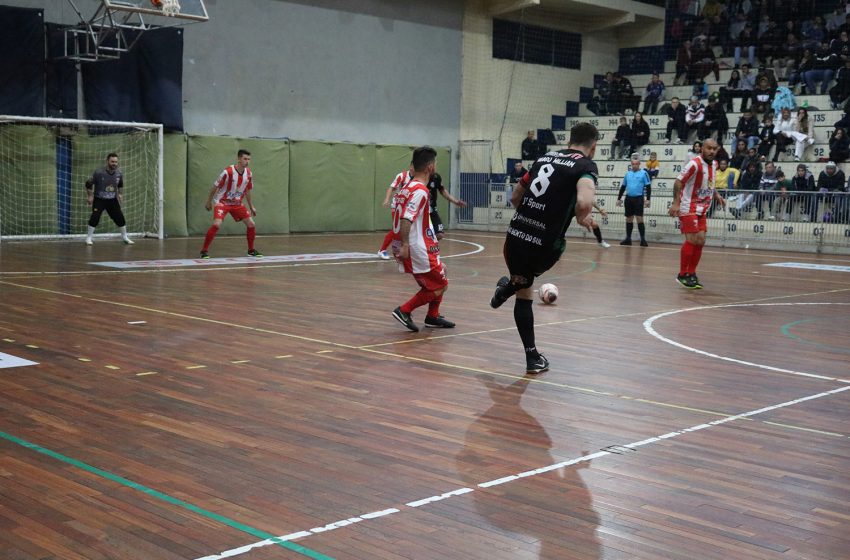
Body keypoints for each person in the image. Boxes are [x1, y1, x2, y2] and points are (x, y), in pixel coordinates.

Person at [489, 122, 598, 374]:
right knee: (523, 283)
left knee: (525, 292)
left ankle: (532, 357)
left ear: (570, 139)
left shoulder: (543, 158)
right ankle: (506, 288)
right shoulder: (586, 166)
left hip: (515, 235)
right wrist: (583, 217)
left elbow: (515, 197)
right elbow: (584, 201)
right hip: (545, 245)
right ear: (593, 147)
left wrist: (529, 218)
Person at [390, 146, 454, 332]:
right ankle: (404, 310)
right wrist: (405, 245)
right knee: (441, 286)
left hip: (422, 244)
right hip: (419, 247)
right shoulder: (420, 191)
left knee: (442, 273)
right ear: (430, 168)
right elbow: (406, 218)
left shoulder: (406, 188)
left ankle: (432, 316)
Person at [669, 138, 725, 289]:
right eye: (709, 148)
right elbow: (678, 182)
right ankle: (682, 274)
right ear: (702, 149)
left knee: (701, 241)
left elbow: (710, 184)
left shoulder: (714, 164)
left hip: (703, 207)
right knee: (693, 239)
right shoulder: (694, 164)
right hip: (689, 206)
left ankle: (692, 273)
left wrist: (717, 195)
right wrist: (676, 203)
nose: (712, 151)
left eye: (714, 149)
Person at [200, 149, 260, 259]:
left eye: (249, 159)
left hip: (237, 203)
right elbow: (215, 187)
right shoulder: (228, 172)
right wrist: (209, 201)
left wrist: (252, 206)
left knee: (251, 224)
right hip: (222, 202)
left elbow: (247, 190)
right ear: (239, 159)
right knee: (217, 224)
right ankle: (204, 251)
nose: (247, 161)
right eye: (245, 159)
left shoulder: (249, 174)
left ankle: (251, 250)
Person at [84, 152, 134, 245]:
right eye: (112, 161)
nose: (114, 164)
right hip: (100, 199)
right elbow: (88, 183)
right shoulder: (99, 172)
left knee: (120, 218)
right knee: (95, 217)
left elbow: (120, 185)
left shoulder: (119, 173)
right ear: (107, 161)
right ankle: (89, 238)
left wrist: (120, 194)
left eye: (116, 162)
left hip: (112, 200)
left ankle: (125, 237)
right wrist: (90, 196)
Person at [616, 156, 652, 247]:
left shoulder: (644, 173)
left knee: (639, 218)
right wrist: (619, 198)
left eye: (636, 164)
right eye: (633, 164)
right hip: (628, 199)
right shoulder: (627, 174)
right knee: (629, 218)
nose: (634, 165)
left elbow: (648, 187)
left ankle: (643, 239)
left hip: (639, 199)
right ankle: (628, 238)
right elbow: (623, 187)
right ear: (631, 164)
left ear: (639, 164)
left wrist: (648, 199)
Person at [378, 166, 412, 259]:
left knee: (408, 229)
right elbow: (391, 188)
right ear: (411, 166)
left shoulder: (418, 178)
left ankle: (408, 251)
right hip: (397, 206)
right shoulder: (402, 176)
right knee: (396, 230)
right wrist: (387, 199)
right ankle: (382, 250)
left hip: (409, 207)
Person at [426, 172, 467, 241]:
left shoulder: (436, 177)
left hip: (432, 210)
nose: (435, 166)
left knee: (439, 234)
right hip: (421, 211)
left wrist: (455, 201)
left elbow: (442, 190)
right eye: (434, 164)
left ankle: (427, 247)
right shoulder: (418, 177)